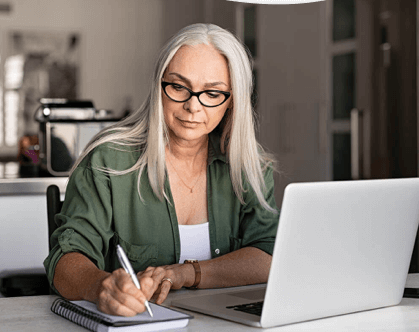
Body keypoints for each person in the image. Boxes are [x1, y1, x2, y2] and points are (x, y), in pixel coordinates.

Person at [43, 23, 280, 318]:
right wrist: (99, 287)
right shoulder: (107, 159)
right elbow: (65, 259)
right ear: (159, 86)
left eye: (212, 93)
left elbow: (269, 255)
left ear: (232, 101)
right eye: (179, 87)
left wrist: (186, 273)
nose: (193, 106)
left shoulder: (249, 165)